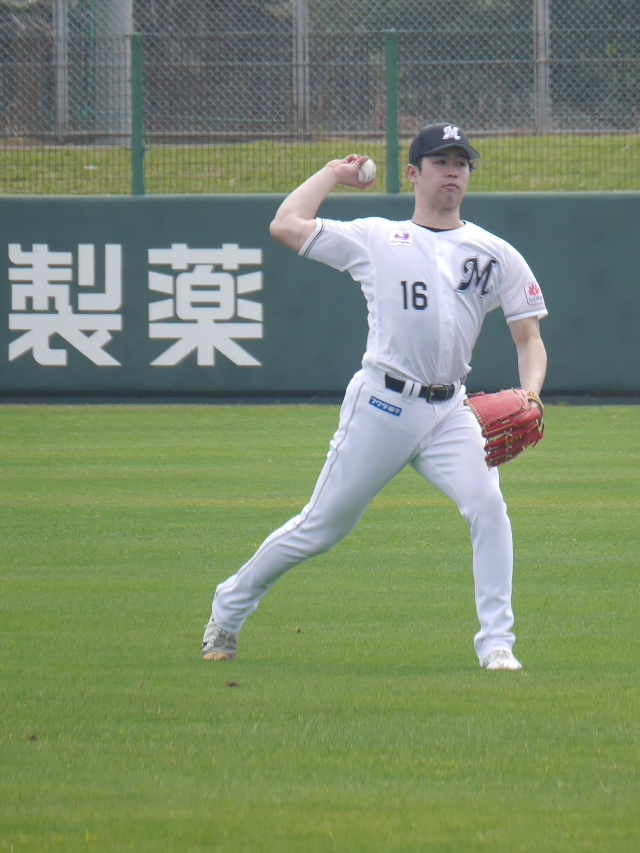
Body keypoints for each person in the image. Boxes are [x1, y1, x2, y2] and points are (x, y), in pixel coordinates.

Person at [201, 122, 549, 671]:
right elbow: (285, 225)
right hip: (383, 405)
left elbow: (529, 338)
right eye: (440, 162)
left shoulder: (495, 252)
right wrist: (332, 174)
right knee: (322, 528)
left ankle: (497, 644)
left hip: (450, 411)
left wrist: (530, 395)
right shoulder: (376, 238)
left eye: (461, 163)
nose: (453, 171)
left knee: (489, 508)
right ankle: (229, 606)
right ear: (413, 173)